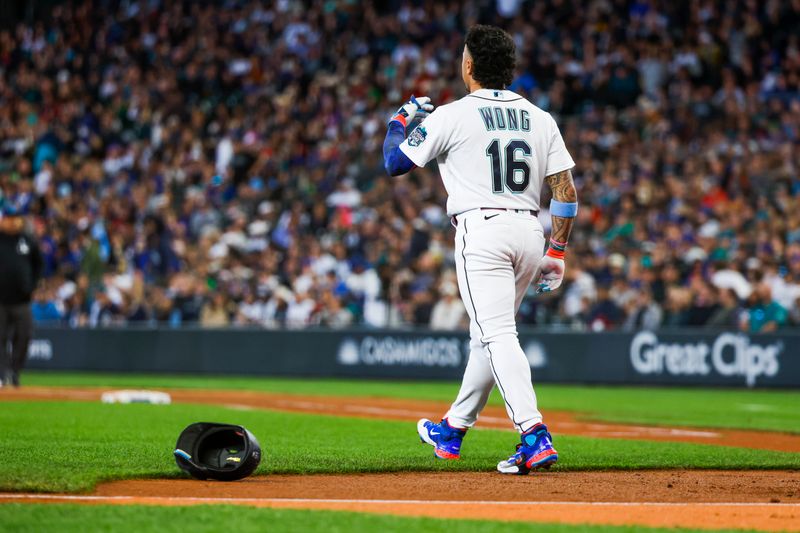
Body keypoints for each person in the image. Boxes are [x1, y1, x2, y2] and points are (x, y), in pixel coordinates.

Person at [383, 25, 577, 475]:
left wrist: (398, 121)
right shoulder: (540, 118)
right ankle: (452, 428)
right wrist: (558, 251)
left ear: (468, 66)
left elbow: (394, 163)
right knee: (485, 336)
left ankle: (534, 435)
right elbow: (565, 191)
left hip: (482, 230)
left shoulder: (453, 114)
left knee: (496, 335)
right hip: (530, 232)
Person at [0, 207, 43, 387]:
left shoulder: (28, 240)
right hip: (0, 301)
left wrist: (32, 286)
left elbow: (38, 264)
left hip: (22, 300)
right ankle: (2, 374)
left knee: (24, 336)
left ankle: (14, 372)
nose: (14, 221)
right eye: (10, 218)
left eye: (17, 217)